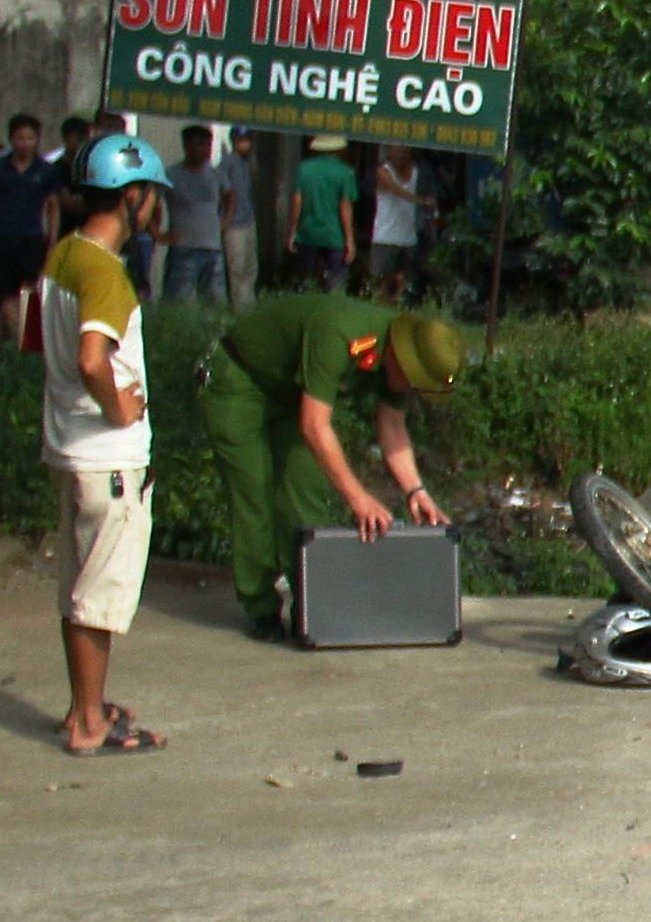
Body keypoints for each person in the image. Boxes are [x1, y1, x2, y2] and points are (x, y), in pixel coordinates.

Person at [201, 292, 462, 641]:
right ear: (403, 360)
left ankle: (310, 604)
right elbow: (314, 426)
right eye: (416, 384)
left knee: (305, 492)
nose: (414, 392)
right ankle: (260, 606)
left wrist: (416, 492)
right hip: (240, 381)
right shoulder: (341, 334)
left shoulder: (396, 364)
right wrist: (359, 498)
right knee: (254, 494)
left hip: (292, 396)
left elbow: (392, 426)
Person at [39, 132, 174, 755]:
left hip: (69, 445)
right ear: (133, 196)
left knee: (80, 588)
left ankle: (83, 706)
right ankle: (90, 725)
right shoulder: (105, 274)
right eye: (151, 195)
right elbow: (93, 359)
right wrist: (121, 407)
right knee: (100, 597)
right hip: (108, 458)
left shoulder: (64, 254)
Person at [0, 114, 62, 345]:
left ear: (37, 140)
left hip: (31, 238)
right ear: (12, 139)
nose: (25, 143)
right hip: (0, 237)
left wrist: (52, 242)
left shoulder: (46, 170)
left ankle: (18, 343)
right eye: (20, 138)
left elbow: (53, 207)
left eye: (30, 138)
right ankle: (2, 345)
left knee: (26, 293)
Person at [161, 124, 229, 304]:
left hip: (213, 249)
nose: (205, 150)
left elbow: (230, 196)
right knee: (178, 302)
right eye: (199, 144)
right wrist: (157, 233)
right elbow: (153, 201)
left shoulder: (216, 174)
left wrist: (225, 222)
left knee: (215, 304)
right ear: (187, 146)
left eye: (208, 145)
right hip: (183, 248)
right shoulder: (172, 174)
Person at [291, 134, 357, 290]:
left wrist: (293, 231)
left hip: (307, 233)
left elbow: (297, 202)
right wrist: (349, 239)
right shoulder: (345, 172)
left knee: (305, 281)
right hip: (334, 236)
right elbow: (345, 207)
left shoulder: (304, 169)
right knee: (335, 283)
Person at [368, 144, 429, 302]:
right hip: (385, 237)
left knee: (404, 279)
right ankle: (380, 305)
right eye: (397, 152)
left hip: (408, 237)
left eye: (404, 152)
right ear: (390, 153)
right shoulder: (383, 171)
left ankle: (394, 304)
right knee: (381, 280)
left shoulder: (416, 172)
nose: (401, 155)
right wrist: (421, 201)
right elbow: (396, 190)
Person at [215, 132, 261, 309]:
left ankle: (249, 304)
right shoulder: (227, 163)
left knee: (251, 267)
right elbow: (223, 192)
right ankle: (240, 308)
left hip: (247, 219)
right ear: (234, 141)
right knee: (237, 268)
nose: (246, 144)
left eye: (248, 140)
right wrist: (225, 219)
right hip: (234, 224)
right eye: (242, 140)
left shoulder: (245, 163)